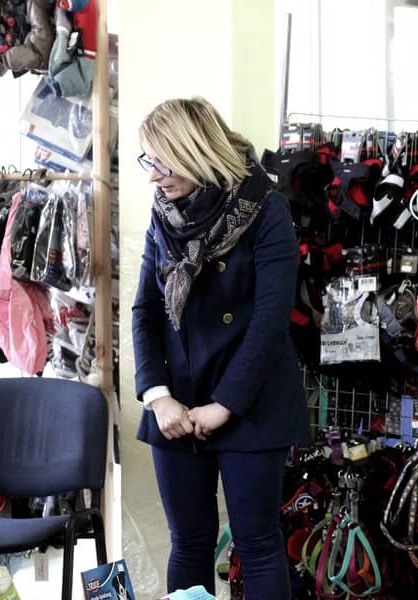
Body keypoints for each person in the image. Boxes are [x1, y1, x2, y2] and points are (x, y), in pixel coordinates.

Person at [132, 97, 309, 599]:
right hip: (177, 402)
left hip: (250, 399)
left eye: (163, 163)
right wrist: (158, 396)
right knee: (188, 543)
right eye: (149, 162)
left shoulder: (266, 208)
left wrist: (225, 404)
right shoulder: (164, 215)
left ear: (195, 151)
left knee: (257, 545)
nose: (154, 177)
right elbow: (146, 311)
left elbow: (270, 321)